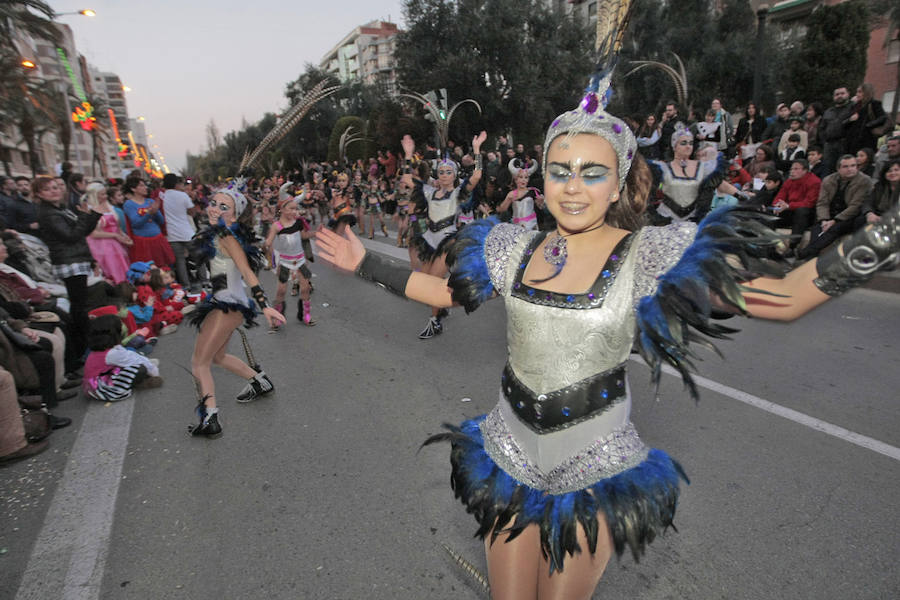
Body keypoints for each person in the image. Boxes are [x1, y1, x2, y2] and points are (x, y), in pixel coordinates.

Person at [316, 57, 900, 598]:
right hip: (506, 448)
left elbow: (785, 297)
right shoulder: (511, 245)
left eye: (592, 172)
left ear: (619, 183)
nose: (573, 186)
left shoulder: (649, 254)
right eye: (560, 171)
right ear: (541, 179)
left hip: (594, 465)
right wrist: (367, 262)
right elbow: (445, 292)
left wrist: (886, 235)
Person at [187, 181, 284, 438]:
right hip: (227, 302)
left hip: (227, 305)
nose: (215, 209)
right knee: (217, 357)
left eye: (224, 206)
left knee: (199, 364)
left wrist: (266, 307)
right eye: (214, 203)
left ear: (235, 213)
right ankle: (259, 381)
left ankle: (210, 419)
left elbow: (246, 271)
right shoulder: (218, 233)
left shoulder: (226, 236)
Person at [405, 132, 486, 339]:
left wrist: (476, 150)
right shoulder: (429, 192)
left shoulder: (458, 193)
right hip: (429, 241)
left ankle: (435, 322)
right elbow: (408, 179)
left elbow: (476, 176)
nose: (444, 175)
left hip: (447, 242)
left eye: (448, 172)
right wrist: (408, 155)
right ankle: (442, 305)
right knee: (423, 279)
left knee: (431, 282)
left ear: (454, 175)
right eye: (441, 172)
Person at [36, 176, 102, 369]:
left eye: (56, 187)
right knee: (79, 306)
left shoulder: (60, 209)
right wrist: (83, 217)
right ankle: (86, 347)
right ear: (39, 194)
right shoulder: (48, 214)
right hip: (68, 262)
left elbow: (82, 232)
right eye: (48, 189)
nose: (54, 190)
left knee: (81, 305)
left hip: (77, 258)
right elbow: (71, 236)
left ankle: (87, 345)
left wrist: (92, 215)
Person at [647, 125, 743, 223]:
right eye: (683, 143)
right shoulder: (662, 168)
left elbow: (719, 183)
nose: (688, 146)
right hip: (666, 218)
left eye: (691, 143)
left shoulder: (703, 167)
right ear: (674, 146)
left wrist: (741, 195)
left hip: (693, 220)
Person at [797, 154, 873, 260]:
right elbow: (822, 202)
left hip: (849, 216)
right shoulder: (829, 180)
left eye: (853, 166)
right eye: (845, 167)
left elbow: (855, 206)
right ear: (838, 168)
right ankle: (811, 255)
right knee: (817, 228)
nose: (850, 169)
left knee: (834, 228)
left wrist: (835, 220)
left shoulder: (865, 181)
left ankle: (806, 253)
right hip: (830, 214)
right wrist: (824, 219)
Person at [263, 197, 316, 328]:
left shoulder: (298, 222)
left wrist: (316, 233)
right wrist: (265, 246)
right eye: (291, 208)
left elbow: (303, 236)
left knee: (305, 289)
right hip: (285, 262)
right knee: (281, 291)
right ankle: (278, 317)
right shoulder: (277, 226)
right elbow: (268, 241)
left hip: (300, 260)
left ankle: (305, 315)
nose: (294, 211)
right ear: (282, 209)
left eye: (295, 208)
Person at [83, 182, 132, 284]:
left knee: (122, 271)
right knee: (112, 272)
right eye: (102, 194)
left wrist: (124, 237)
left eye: (105, 194)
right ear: (94, 195)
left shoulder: (109, 207)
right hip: (100, 247)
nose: (105, 197)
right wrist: (115, 236)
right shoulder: (89, 210)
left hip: (116, 245)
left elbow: (117, 227)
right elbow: (92, 233)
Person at [123, 176, 175, 268]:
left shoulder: (150, 201)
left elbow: (161, 221)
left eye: (145, 185)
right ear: (133, 189)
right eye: (141, 186)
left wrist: (156, 211)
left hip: (157, 238)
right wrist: (149, 213)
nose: (145, 188)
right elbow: (136, 223)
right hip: (142, 242)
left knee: (163, 267)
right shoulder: (129, 204)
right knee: (148, 269)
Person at [772, 159, 820, 254]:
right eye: (791, 169)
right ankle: (768, 245)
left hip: (807, 213)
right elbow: (779, 197)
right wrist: (777, 205)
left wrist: (789, 206)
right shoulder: (789, 181)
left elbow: (809, 203)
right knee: (769, 214)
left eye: (796, 169)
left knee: (801, 211)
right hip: (790, 210)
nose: (792, 171)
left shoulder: (814, 182)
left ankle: (792, 246)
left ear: (805, 170)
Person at [161, 173, 197, 288]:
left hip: (171, 234)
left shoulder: (162, 197)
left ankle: (186, 285)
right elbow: (192, 212)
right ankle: (203, 280)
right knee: (199, 256)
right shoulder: (183, 196)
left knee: (180, 261)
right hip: (187, 232)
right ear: (176, 184)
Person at [497, 159, 543, 230]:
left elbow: (541, 207)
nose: (523, 180)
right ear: (516, 179)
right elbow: (502, 210)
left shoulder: (533, 191)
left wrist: (541, 202)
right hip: (517, 227)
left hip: (531, 225)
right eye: (521, 177)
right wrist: (508, 199)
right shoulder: (511, 194)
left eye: (526, 177)